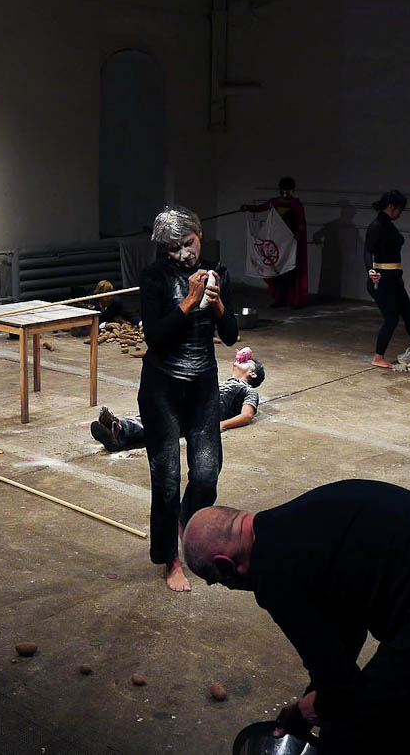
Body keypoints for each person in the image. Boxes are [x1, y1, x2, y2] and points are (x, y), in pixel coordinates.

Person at [182, 480, 410, 755]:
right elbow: (344, 631)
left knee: (361, 739)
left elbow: (341, 683)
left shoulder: (273, 573)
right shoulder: (295, 521)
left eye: (220, 582)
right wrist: (316, 698)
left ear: (227, 566)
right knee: (367, 722)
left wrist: (309, 708)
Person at [139, 205, 239, 592]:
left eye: (188, 243)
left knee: (206, 473)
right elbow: (155, 337)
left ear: (200, 235)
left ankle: (184, 523)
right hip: (161, 386)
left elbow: (230, 336)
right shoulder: (154, 277)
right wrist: (189, 300)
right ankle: (170, 558)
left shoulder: (216, 272)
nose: (183, 254)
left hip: (202, 385)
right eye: (173, 248)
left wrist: (217, 304)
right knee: (166, 479)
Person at [91, 347, 265, 451]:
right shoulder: (224, 382)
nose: (241, 360)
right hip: (193, 403)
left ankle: (119, 430)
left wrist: (222, 424)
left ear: (253, 373)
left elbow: (247, 415)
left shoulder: (248, 390)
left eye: (247, 362)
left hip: (204, 413)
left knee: (163, 420)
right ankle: (118, 430)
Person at [365, 190, 410, 369]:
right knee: (391, 318)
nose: (400, 213)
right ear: (391, 207)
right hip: (382, 280)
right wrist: (370, 271)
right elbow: (367, 251)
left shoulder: (388, 225)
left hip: (394, 280)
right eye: (400, 209)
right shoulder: (377, 225)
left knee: (409, 316)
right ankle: (378, 356)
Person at [241, 176, 308, 309]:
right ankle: (280, 299)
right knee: (277, 271)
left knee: (290, 271)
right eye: (283, 189)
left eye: (288, 190)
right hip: (277, 242)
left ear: (293, 190)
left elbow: (301, 223)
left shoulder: (296, 205)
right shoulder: (275, 202)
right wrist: (248, 207)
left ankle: (294, 300)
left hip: (290, 243)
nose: (285, 193)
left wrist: (298, 237)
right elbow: (260, 208)